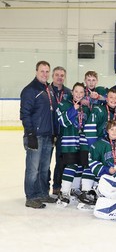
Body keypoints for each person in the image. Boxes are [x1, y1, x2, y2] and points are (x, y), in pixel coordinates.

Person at [20, 60, 57, 208]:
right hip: (35, 135)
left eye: (47, 71)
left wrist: (54, 132)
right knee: (32, 169)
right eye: (42, 71)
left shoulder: (49, 89)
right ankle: (31, 197)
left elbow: (51, 112)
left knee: (44, 168)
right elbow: (25, 114)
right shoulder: (30, 90)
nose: (45, 74)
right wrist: (30, 134)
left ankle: (42, 193)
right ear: (36, 71)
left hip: (48, 135)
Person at [80, 120, 116, 206]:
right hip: (101, 177)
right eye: (111, 129)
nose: (114, 132)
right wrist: (107, 170)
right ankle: (87, 193)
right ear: (107, 130)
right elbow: (92, 162)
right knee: (87, 169)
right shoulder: (98, 145)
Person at [55, 82, 91, 207]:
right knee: (71, 165)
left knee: (81, 165)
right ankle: (64, 192)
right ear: (72, 92)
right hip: (69, 140)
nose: (79, 94)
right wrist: (73, 110)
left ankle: (74, 190)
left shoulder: (86, 107)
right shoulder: (64, 104)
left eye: (81, 92)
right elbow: (62, 122)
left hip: (83, 141)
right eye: (76, 91)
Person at [50, 66, 72, 195]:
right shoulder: (46, 91)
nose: (59, 77)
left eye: (62, 75)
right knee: (44, 162)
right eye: (57, 74)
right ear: (52, 76)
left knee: (61, 161)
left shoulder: (68, 93)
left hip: (63, 133)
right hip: (48, 131)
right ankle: (43, 188)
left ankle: (58, 186)